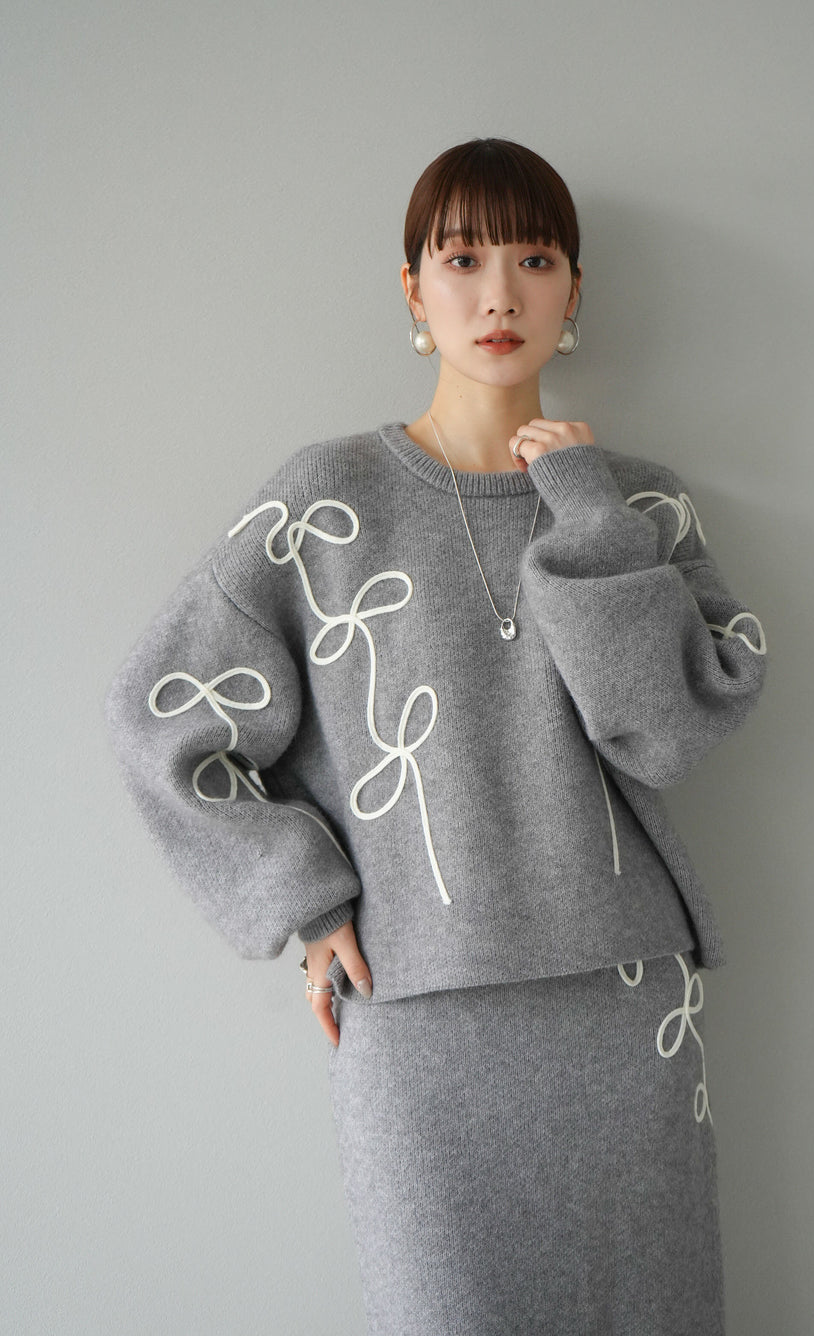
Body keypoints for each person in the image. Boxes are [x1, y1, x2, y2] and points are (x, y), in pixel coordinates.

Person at [106, 137, 767, 1334]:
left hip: (624, 1002)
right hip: (418, 1011)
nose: (499, 292)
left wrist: (585, 511)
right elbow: (163, 713)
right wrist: (302, 900)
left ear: (575, 292)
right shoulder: (324, 499)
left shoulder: (635, 501)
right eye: (462, 260)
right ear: (413, 290)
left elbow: (668, 732)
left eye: (535, 259)